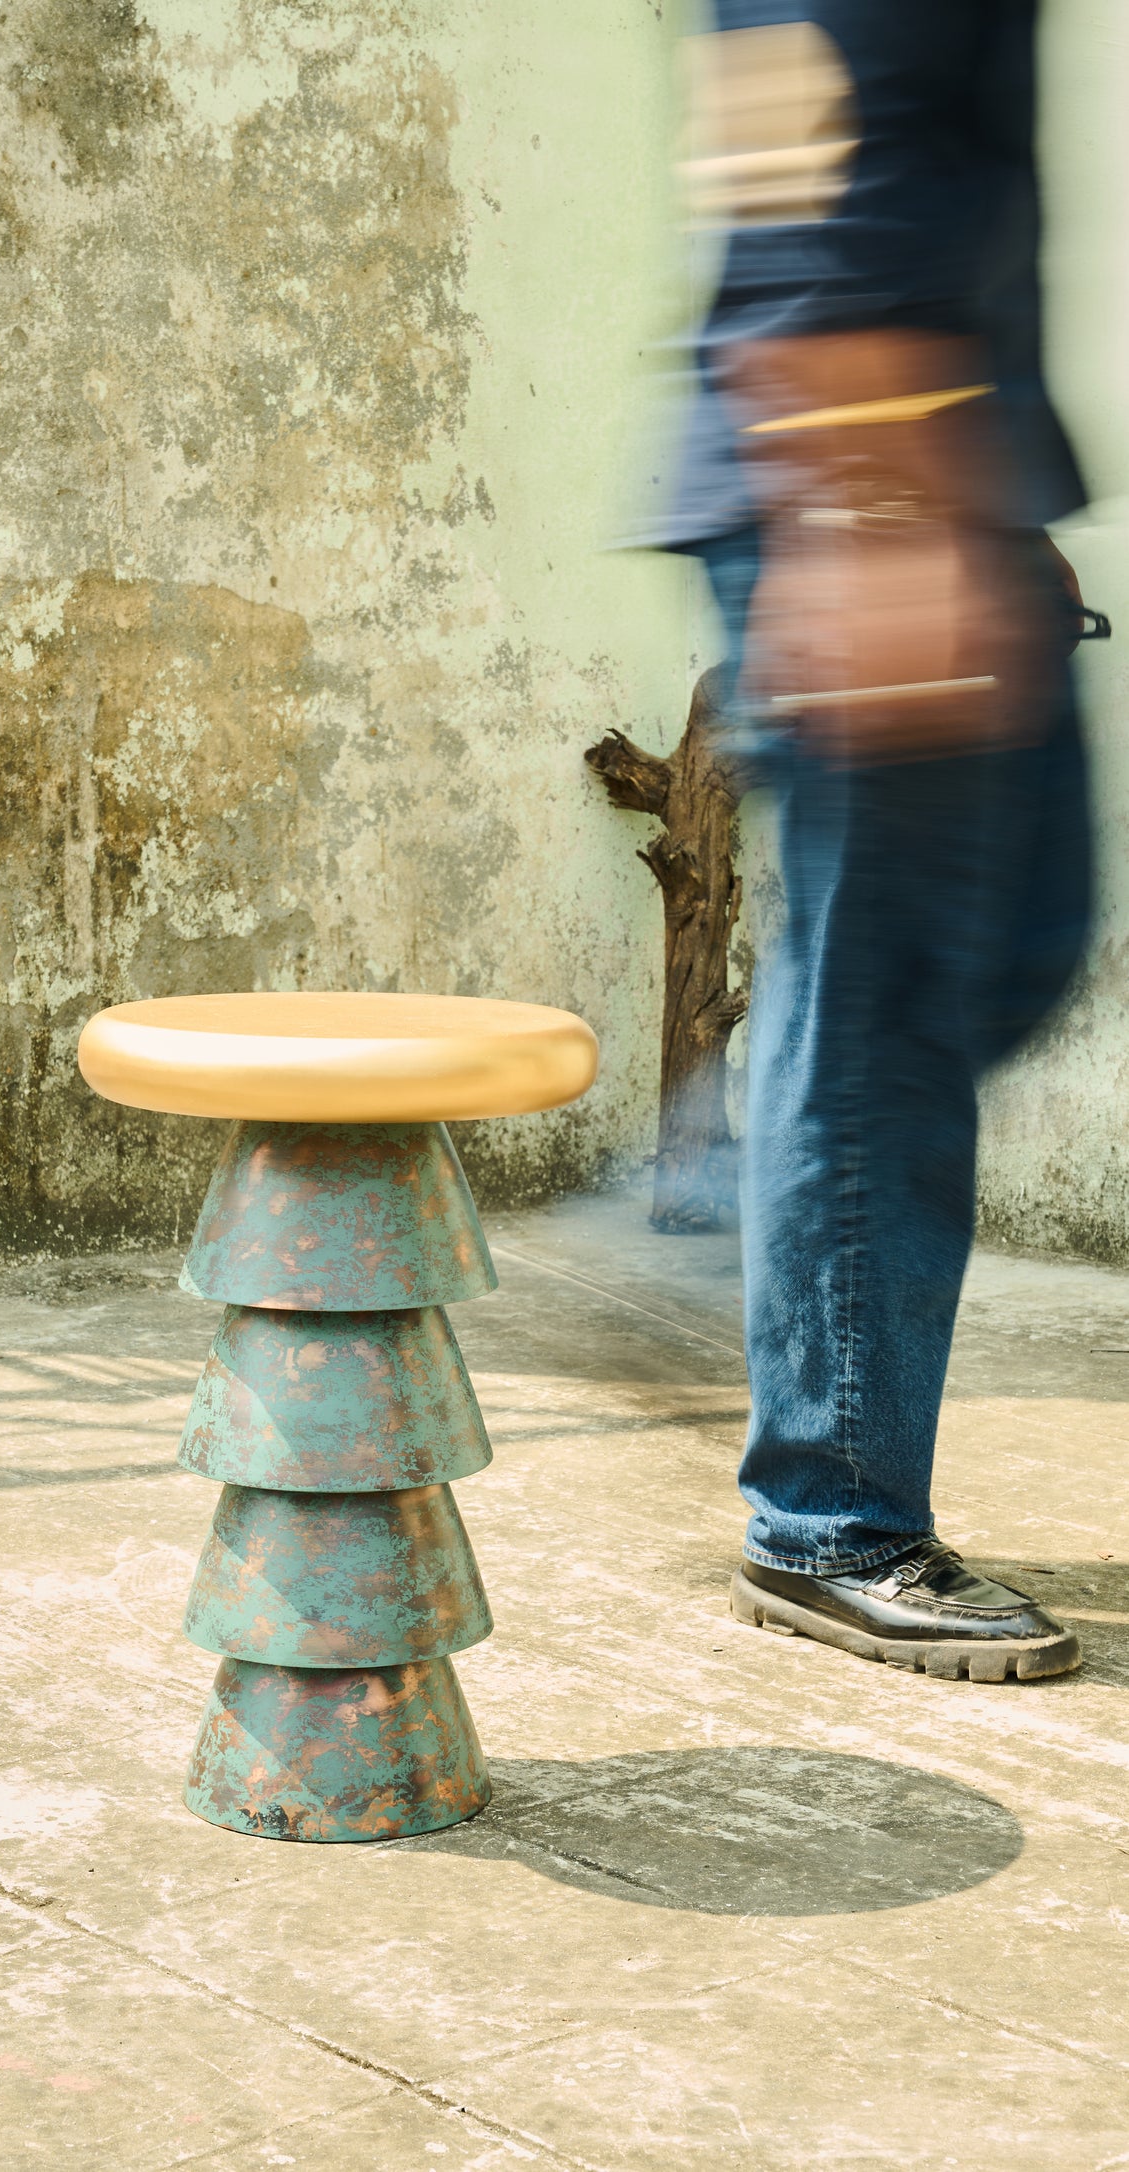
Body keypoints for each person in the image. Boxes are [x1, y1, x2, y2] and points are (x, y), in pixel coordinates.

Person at [640, 0, 1099, 1679]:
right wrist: (859, 496)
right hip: (854, 479)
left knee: (1014, 944)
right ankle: (828, 1515)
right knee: (893, 1007)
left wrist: (984, 505)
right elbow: (776, 109)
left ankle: (724, 1161)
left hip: (949, 477)